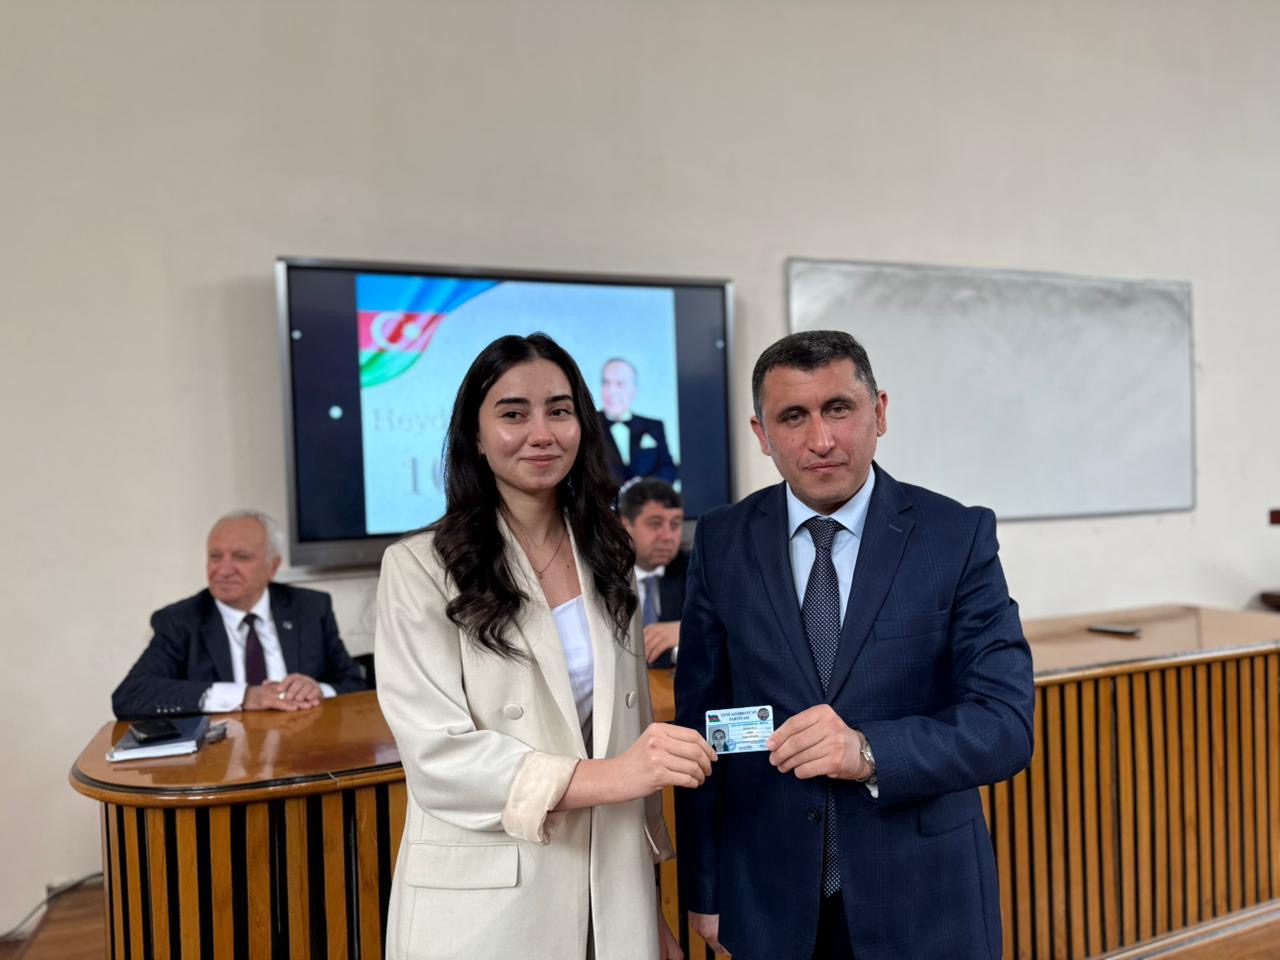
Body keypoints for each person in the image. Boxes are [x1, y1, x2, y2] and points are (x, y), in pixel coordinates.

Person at [674, 330, 1035, 960]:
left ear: (880, 412)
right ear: (762, 434)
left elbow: (1005, 726)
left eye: (838, 408)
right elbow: (702, 725)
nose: (821, 440)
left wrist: (867, 751)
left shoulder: (956, 535)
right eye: (793, 417)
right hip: (768, 902)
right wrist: (704, 887)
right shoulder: (721, 540)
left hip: (925, 903)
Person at [375, 333, 714, 960]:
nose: (541, 433)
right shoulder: (418, 566)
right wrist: (614, 775)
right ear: (476, 436)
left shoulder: (609, 553)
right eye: (513, 413)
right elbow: (438, 757)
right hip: (490, 905)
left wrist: (647, 913)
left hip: (609, 895)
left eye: (559, 411)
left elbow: (625, 730)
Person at [112, 510, 367, 720]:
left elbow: (355, 684)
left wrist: (317, 690)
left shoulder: (310, 608)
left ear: (273, 566)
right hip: (222, 759)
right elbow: (131, 695)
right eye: (215, 556)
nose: (223, 570)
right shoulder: (181, 621)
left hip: (304, 752)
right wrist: (245, 696)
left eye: (240, 557)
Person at [619, 478, 686, 668]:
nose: (667, 536)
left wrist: (687, 630)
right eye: (655, 524)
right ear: (625, 526)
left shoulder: (696, 572)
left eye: (675, 524)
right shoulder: (602, 574)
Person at [598, 357, 678, 484]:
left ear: (634, 389)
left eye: (620, 384)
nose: (611, 391)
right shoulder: (587, 424)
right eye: (606, 383)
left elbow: (668, 469)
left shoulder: (654, 426)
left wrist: (643, 487)